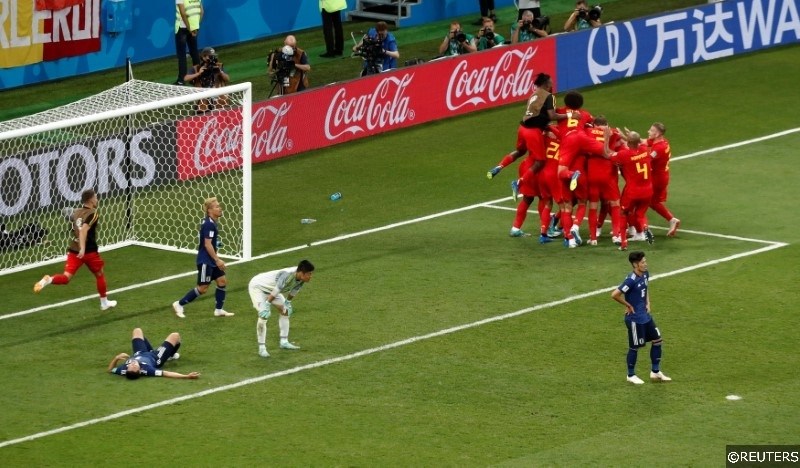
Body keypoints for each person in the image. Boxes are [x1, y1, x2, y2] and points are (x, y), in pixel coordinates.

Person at [33, 189, 117, 311]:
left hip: (73, 250)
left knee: (66, 277)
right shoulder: (93, 213)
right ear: (90, 200)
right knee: (99, 274)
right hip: (88, 251)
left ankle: (49, 279)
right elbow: (83, 230)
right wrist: (83, 248)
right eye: (95, 197)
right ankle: (104, 303)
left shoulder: (76, 212)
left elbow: (74, 222)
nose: (97, 199)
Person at [611, 251, 672, 385]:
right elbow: (614, 294)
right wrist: (628, 305)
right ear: (635, 264)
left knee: (657, 340)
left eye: (645, 261)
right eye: (643, 262)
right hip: (634, 319)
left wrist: (648, 303)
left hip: (645, 316)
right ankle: (630, 375)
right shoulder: (631, 280)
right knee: (635, 347)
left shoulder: (645, 274)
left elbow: (646, 288)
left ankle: (655, 372)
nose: (646, 264)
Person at [172, 197, 234, 318]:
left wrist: (216, 244)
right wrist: (217, 260)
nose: (220, 208)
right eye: (217, 206)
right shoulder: (208, 225)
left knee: (222, 281)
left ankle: (218, 310)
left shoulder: (211, 222)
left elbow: (208, 241)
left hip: (211, 259)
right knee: (203, 288)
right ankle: (179, 304)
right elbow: (206, 244)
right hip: (206, 261)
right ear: (209, 210)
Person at [249, 260, 315, 357]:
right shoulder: (287, 275)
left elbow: (294, 290)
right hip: (258, 287)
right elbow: (277, 290)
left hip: (272, 290)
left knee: (286, 311)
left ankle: (284, 341)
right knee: (264, 314)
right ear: (302, 273)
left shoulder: (301, 279)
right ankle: (262, 348)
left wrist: (287, 303)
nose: (310, 276)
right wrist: (267, 304)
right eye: (309, 274)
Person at [604, 128, 654, 251]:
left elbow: (606, 153)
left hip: (632, 192)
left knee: (623, 213)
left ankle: (623, 242)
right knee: (640, 214)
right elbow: (636, 143)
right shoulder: (645, 150)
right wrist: (627, 138)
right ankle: (644, 229)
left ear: (629, 142)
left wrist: (606, 139)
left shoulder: (624, 155)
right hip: (648, 190)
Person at [108, 327, 200, 380]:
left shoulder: (124, 370)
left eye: (130, 366)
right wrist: (186, 376)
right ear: (140, 371)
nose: (133, 363)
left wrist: (116, 358)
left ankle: (151, 349)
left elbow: (110, 369)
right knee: (175, 336)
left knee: (137, 330)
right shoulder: (148, 370)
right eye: (135, 367)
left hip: (139, 352)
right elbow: (167, 373)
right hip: (156, 357)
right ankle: (170, 356)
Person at [647, 122, 681, 237]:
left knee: (644, 200)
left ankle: (638, 229)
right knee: (651, 201)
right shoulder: (663, 142)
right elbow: (643, 141)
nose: (648, 132)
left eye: (651, 130)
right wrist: (627, 138)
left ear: (657, 134)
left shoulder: (659, 148)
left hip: (657, 178)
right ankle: (671, 220)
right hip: (662, 175)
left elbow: (646, 160)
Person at [185, 47, 230, 113]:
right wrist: (198, 73)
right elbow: (186, 78)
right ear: (203, 57)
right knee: (202, 112)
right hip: (203, 98)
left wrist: (220, 72)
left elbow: (227, 79)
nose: (212, 58)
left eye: (213, 56)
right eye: (210, 56)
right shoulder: (197, 68)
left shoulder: (218, 66)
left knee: (221, 111)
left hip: (218, 97)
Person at [174, 0, 203, 86]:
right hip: (194, 27)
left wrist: (189, 28)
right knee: (194, 52)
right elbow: (202, 12)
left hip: (182, 28)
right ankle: (198, 77)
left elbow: (183, 14)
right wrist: (195, 26)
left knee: (182, 55)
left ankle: (181, 80)